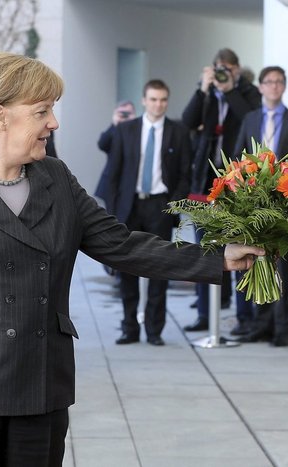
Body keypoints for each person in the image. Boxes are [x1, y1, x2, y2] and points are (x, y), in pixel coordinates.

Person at [0, 52, 263, 466]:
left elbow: (123, 244)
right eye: (42, 111)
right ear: (1, 115)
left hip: (38, 387)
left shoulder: (56, 177)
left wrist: (218, 258)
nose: (53, 123)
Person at [107, 79, 194, 346]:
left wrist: (174, 203)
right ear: (144, 100)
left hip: (160, 205)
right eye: (154, 99)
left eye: (163, 99)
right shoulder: (126, 130)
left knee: (159, 267)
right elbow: (114, 171)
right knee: (127, 268)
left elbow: (184, 173)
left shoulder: (178, 132)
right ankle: (129, 327)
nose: (159, 104)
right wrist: (112, 210)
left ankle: (155, 329)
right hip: (130, 206)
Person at [230, 66, 288, 346]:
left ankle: (284, 329)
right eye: (269, 82)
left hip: (286, 202)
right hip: (254, 203)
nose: (274, 86)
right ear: (261, 87)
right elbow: (237, 157)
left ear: (284, 86)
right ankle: (261, 324)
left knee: (285, 269)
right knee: (256, 262)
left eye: (279, 82)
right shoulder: (250, 119)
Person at [181, 48, 261, 333]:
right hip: (205, 180)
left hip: (237, 181)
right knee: (205, 248)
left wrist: (228, 91)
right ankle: (204, 312)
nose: (223, 73)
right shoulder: (209, 94)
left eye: (227, 68)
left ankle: (244, 316)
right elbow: (187, 122)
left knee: (239, 247)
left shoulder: (249, 93)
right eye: (218, 68)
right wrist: (204, 89)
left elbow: (251, 118)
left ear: (237, 70)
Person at [95, 100, 136, 212]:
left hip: (131, 185)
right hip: (112, 184)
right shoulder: (115, 130)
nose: (125, 116)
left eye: (128, 113)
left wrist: (132, 123)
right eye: (122, 113)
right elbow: (102, 144)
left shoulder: (139, 131)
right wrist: (115, 124)